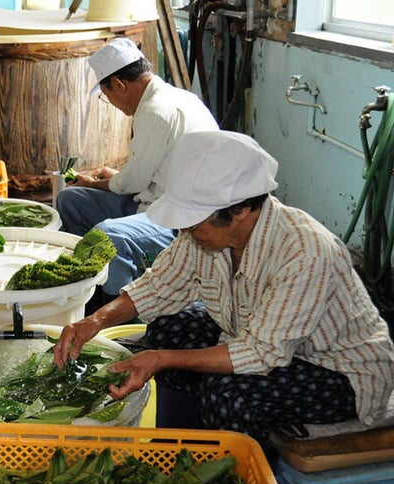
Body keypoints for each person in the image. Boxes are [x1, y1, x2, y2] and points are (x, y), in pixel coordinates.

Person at [54, 130, 394, 457]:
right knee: (167, 329)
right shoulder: (205, 236)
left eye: (194, 222)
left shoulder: (305, 251)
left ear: (241, 209)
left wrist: (163, 359)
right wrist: (94, 321)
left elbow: (261, 354)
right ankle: (181, 448)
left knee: (228, 393)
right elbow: (159, 286)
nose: (185, 231)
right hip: (257, 339)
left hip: (338, 372)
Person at [56, 37, 218, 305]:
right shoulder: (176, 97)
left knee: (108, 235)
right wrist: (113, 178)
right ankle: (89, 281)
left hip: (179, 217)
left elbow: (133, 181)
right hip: (154, 198)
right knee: (70, 200)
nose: (113, 105)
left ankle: (121, 308)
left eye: (107, 97)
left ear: (119, 85)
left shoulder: (156, 111)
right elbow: (140, 174)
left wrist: (96, 182)